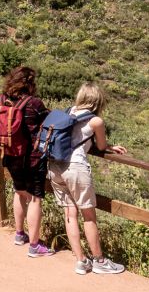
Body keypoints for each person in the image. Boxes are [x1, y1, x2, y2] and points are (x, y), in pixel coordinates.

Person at [47, 82, 128, 274]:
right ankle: (99, 260)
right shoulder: (95, 121)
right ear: (98, 101)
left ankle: (81, 261)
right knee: (89, 216)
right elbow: (100, 146)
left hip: (55, 167)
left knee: (69, 213)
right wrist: (109, 147)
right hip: (75, 168)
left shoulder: (68, 112)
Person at [0, 66, 54, 257]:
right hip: (32, 158)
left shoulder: (2, 98)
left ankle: (20, 234)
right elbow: (49, 121)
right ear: (30, 82)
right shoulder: (34, 103)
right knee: (35, 198)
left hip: (10, 154)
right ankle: (35, 245)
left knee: (19, 192)